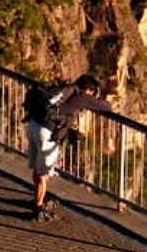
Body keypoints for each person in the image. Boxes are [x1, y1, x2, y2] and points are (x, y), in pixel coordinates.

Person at [23, 74, 111, 221]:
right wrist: (99, 99)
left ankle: (37, 198)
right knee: (43, 172)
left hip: (33, 125)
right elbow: (107, 107)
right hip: (47, 133)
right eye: (93, 92)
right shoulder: (82, 96)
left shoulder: (63, 90)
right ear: (89, 89)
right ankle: (38, 207)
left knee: (37, 169)